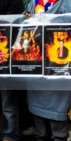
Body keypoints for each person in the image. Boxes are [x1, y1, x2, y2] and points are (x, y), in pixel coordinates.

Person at [0, 0, 24, 141]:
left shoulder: (15, 1)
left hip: (5, 55)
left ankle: (10, 134)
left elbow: (12, 25)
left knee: (7, 100)